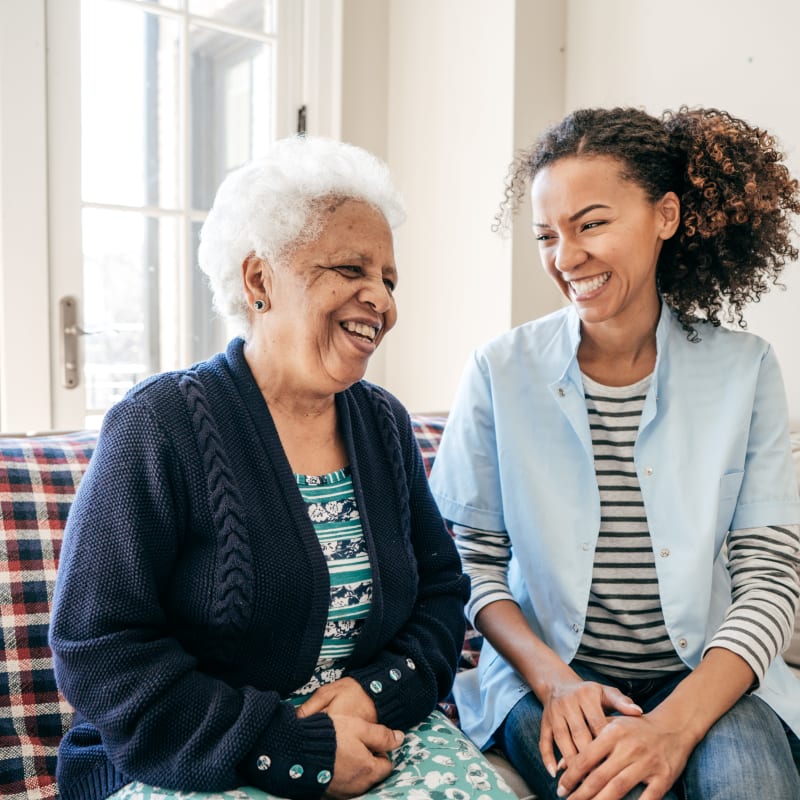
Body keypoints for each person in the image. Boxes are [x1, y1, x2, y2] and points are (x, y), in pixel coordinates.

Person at [50, 135, 518, 800]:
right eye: (351, 270)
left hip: (369, 732)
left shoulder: (383, 424)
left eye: (387, 279)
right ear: (259, 279)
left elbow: (442, 594)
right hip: (194, 753)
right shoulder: (159, 425)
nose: (380, 300)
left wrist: (369, 693)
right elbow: (100, 646)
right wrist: (290, 750)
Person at [429, 106, 800, 800]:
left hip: (707, 677)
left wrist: (674, 728)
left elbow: (771, 579)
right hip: (552, 680)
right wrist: (554, 680)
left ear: (665, 216)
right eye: (547, 234)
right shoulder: (498, 371)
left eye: (591, 223)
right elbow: (467, 562)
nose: (566, 258)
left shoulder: (746, 370)